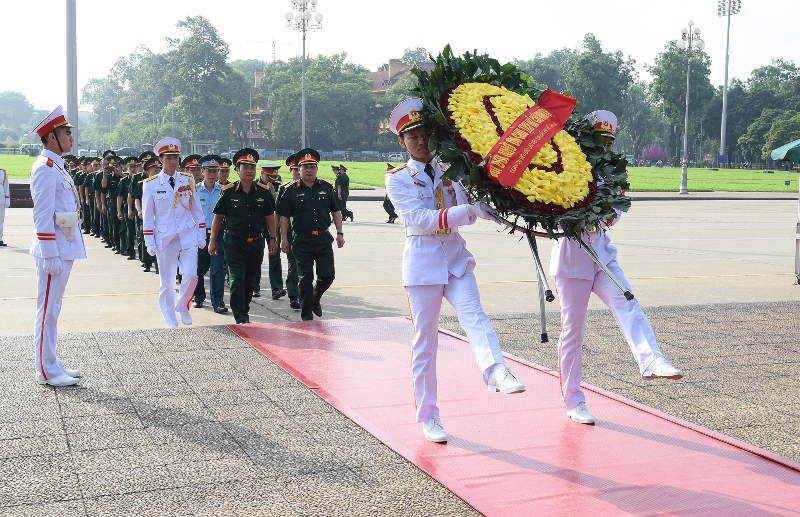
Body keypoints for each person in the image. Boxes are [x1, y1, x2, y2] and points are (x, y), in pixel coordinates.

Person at [385, 97, 525, 443]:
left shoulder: (451, 168)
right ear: (402, 142)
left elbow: (469, 202)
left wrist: (488, 206)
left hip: (455, 259)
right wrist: (470, 211)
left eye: (425, 135)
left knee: (475, 315)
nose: (420, 142)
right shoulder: (399, 179)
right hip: (423, 266)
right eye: (412, 136)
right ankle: (429, 415)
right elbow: (420, 220)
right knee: (425, 344)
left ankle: (496, 371)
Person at [550, 110, 683, 426]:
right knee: (573, 334)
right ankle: (574, 400)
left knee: (628, 302)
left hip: (602, 255)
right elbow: (551, 213)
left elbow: (616, 211)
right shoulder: (563, 171)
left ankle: (651, 359)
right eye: (599, 142)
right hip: (571, 261)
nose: (604, 148)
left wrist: (605, 216)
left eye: (609, 143)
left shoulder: (613, 176)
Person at [29, 106, 86, 386]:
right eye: (66, 134)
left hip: (64, 246)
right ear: (52, 137)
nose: (71, 139)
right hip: (54, 251)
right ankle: (45, 369)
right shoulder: (45, 168)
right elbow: (42, 214)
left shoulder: (57, 167)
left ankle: (50, 361)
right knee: (48, 309)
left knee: (54, 308)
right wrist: (49, 252)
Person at [142, 137, 206, 327]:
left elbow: (196, 210)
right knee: (167, 281)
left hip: (187, 235)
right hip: (165, 237)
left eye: (176, 158)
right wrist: (149, 241)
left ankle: (183, 305)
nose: (173, 161)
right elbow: (148, 215)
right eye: (168, 158)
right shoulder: (151, 184)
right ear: (160, 159)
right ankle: (169, 315)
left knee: (191, 275)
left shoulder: (187, 180)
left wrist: (201, 235)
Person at [209, 148, 278, 324]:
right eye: (245, 167)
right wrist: (212, 241)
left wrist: (273, 238)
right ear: (237, 170)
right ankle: (241, 317)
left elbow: (269, 216)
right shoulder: (229, 191)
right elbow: (218, 217)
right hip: (234, 242)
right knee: (237, 279)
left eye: (252, 167)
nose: (249, 170)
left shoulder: (263, 192)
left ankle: (243, 309)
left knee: (249, 280)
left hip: (255, 242)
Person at [277, 148, 344, 320]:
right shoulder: (290, 190)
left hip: (323, 238)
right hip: (301, 239)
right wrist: (283, 239)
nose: (309, 170)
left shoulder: (326, 187)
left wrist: (340, 233)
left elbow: (335, 211)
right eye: (305, 167)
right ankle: (306, 315)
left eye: (312, 167)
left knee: (328, 275)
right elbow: (284, 216)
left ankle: (315, 297)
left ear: (317, 169)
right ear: (298, 169)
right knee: (305, 278)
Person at [194, 154, 228, 313]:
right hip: (198, 234)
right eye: (209, 170)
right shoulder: (194, 191)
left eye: (215, 171)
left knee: (217, 269)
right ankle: (198, 297)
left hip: (217, 235)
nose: (213, 174)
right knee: (198, 268)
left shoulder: (223, 191)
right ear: (202, 171)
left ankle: (218, 302)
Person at [253, 163, 287, 300]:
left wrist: (273, 193)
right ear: (262, 174)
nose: (271, 180)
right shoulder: (254, 186)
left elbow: (281, 207)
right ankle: (255, 286)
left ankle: (277, 288)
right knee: (257, 256)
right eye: (269, 177)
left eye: (274, 177)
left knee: (275, 256)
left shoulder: (278, 187)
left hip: (273, 225)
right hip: (258, 225)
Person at [277, 154, 301, 310]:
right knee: (293, 263)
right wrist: (279, 236)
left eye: (299, 169)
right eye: (294, 169)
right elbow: (278, 213)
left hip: (306, 234)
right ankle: (294, 295)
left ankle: (303, 292)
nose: (297, 172)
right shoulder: (285, 189)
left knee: (305, 265)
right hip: (290, 233)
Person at [133, 152, 159, 272]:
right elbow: (136, 198)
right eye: (155, 170)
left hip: (161, 218)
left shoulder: (166, 184)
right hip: (146, 216)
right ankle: (147, 263)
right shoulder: (144, 184)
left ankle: (159, 267)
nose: (157, 172)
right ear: (148, 172)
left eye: (159, 169)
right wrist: (139, 211)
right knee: (146, 239)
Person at [0, 166, 9, 246]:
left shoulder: (3, 172)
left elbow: (6, 187)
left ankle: (0, 238)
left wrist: (7, 200)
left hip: (1, 199)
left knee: (0, 219)